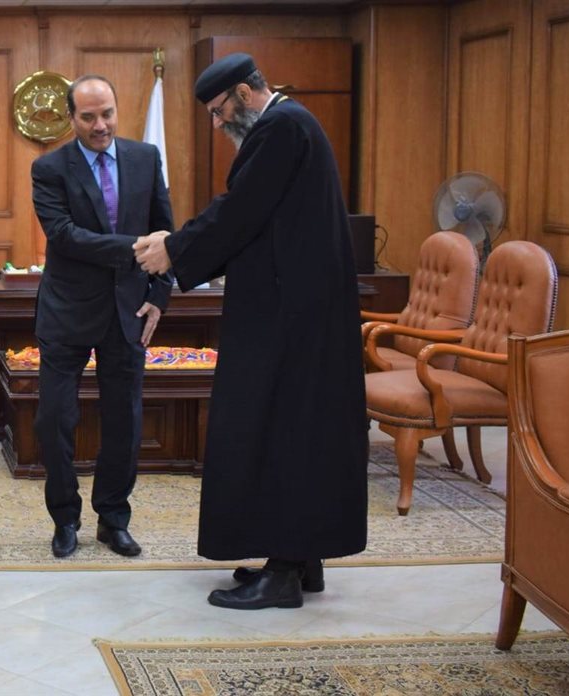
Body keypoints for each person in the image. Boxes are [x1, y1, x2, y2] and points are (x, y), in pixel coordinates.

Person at [133, 54, 367, 609]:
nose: (218, 124)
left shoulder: (281, 127)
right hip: (298, 311)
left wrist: (175, 248)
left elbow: (241, 212)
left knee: (276, 430)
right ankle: (300, 558)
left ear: (244, 92)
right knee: (299, 432)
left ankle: (284, 574)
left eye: (219, 112)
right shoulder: (293, 124)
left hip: (289, 320)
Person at [30, 75, 174, 559]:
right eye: (88, 117)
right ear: (71, 118)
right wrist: (134, 247)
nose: (100, 125)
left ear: (117, 109)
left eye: (107, 114)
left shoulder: (146, 158)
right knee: (54, 418)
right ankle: (65, 519)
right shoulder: (49, 168)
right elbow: (64, 234)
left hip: (128, 309)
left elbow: (165, 232)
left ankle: (113, 519)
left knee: (124, 421)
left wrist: (159, 296)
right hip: (67, 311)